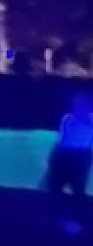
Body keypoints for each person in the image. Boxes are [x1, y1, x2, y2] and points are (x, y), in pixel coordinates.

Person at [48, 93, 93, 234]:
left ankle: (78, 221)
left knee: (78, 190)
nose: (77, 108)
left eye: (81, 105)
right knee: (56, 188)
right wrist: (54, 158)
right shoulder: (68, 118)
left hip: (81, 156)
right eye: (76, 105)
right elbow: (62, 140)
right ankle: (59, 220)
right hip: (64, 155)